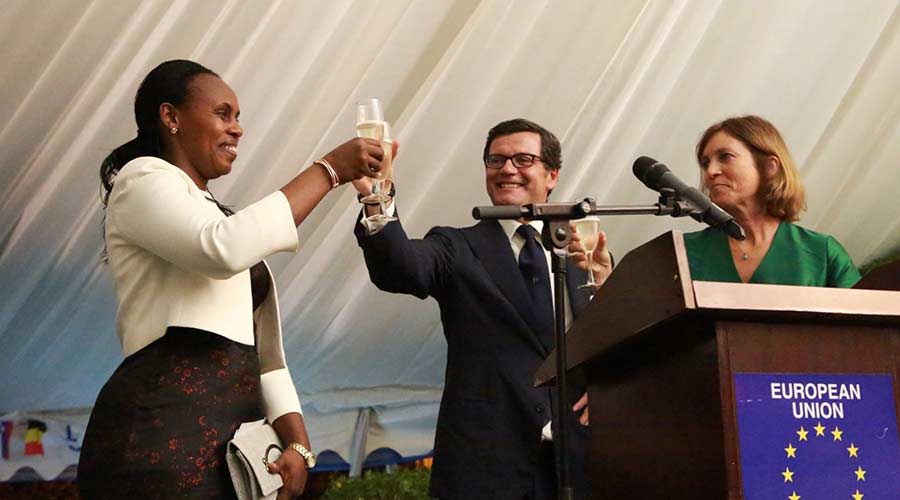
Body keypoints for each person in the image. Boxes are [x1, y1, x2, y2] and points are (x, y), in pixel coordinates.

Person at [78, 59, 385, 499]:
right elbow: (222, 249)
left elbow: (266, 359)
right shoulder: (140, 180)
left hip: (227, 444)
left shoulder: (217, 217)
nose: (237, 128)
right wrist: (329, 170)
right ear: (171, 116)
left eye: (238, 117)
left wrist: (298, 443)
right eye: (223, 113)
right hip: (159, 435)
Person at [353, 118, 612, 500]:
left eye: (523, 159)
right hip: (486, 466)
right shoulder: (457, 247)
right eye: (496, 160)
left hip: (576, 465)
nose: (507, 168)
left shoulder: (579, 253)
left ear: (552, 174)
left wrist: (609, 387)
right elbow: (400, 268)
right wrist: (377, 198)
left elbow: (617, 344)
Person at [685, 115, 860, 287]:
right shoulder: (684, 251)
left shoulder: (822, 253)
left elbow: (865, 305)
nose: (711, 171)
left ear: (769, 167)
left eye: (725, 156)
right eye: (705, 163)